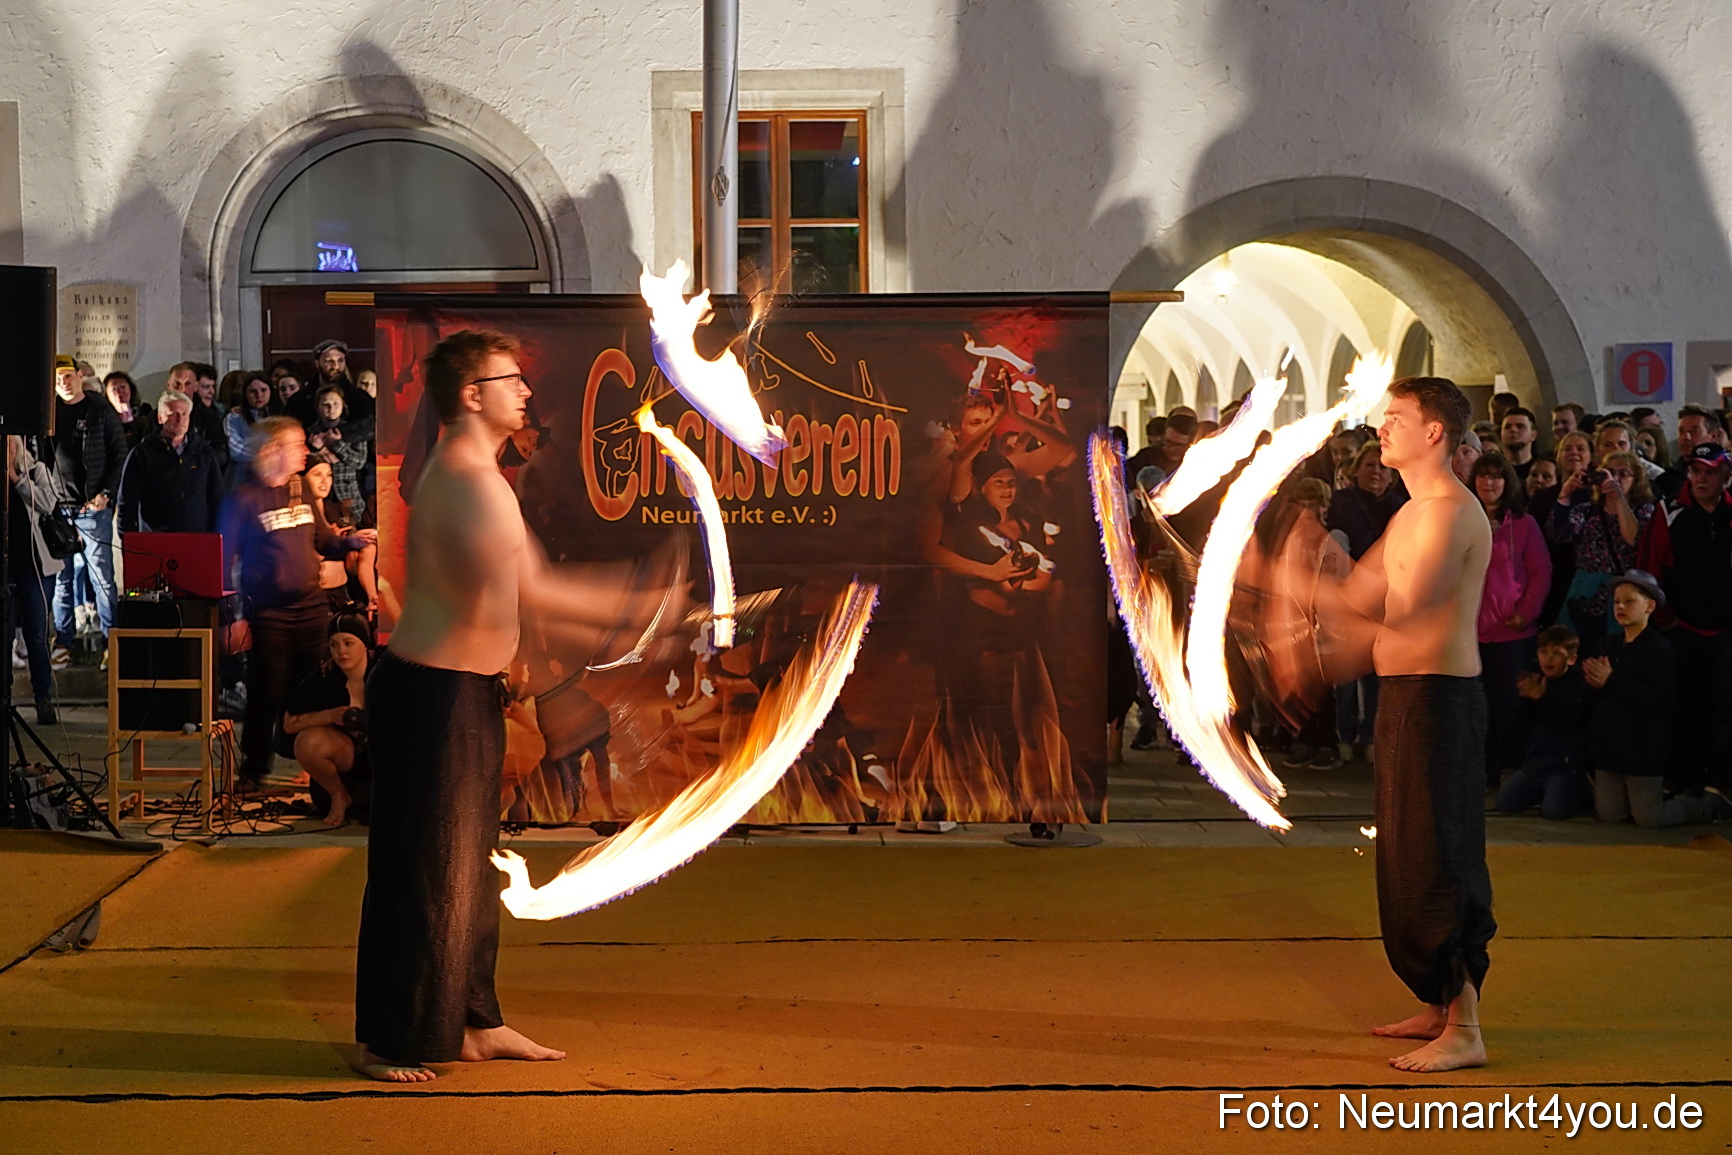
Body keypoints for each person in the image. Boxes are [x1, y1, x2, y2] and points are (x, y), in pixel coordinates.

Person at [352, 329, 671, 1082]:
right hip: (433, 697)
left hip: (463, 692)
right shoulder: (467, 480)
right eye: (512, 378)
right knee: (423, 871)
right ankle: (389, 1039)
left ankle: (472, 1021)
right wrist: (651, 602)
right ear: (472, 394)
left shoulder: (482, 475)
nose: (526, 390)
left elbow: (527, 582)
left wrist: (642, 607)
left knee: (466, 869)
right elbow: (544, 592)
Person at [1306, 375, 1494, 1073]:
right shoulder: (1411, 513)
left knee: (1441, 856)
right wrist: (1309, 570)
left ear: (1434, 431)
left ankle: (1467, 1023)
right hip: (1405, 698)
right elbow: (1359, 593)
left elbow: (1408, 613)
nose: (1381, 428)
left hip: (1441, 701)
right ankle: (1438, 1003)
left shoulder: (1449, 513)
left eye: (1396, 418)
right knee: (1405, 860)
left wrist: (1336, 635)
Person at [219, 418, 375, 786]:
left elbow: (322, 541)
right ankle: (254, 770)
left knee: (310, 691)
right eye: (299, 444)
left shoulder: (299, 488)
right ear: (273, 450)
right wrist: (232, 616)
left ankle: (312, 762)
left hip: (311, 609)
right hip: (269, 613)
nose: (307, 450)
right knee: (266, 692)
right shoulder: (243, 499)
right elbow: (222, 559)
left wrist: (354, 542)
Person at [1584, 571, 1731, 828]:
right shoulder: (1608, 644)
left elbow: (1660, 699)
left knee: (1650, 818)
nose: (1620, 607)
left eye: (1629, 601)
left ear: (1649, 606)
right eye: (1617, 601)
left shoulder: (1660, 649)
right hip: (1610, 749)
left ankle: (1707, 806)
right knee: (1609, 815)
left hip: (1641, 751)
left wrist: (1611, 681)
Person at [1637, 442, 1732, 794]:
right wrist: (1665, 619)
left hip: (1725, 630)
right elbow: (1651, 568)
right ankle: (1681, 778)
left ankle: (1718, 781)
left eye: (1709, 472)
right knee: (1682, 708)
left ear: (1726, 475)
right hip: (1682, 628)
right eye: (1696, 471)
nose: (1701, 478)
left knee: (1722, 707)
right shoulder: (1669, 511)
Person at [1469, 453, 1550, 786]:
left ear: (1507, 482)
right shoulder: (1462, 521)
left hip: (1511, 633)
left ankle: (1508, 767)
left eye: (1496, 477)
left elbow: (1541, 571)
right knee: (1476, 707)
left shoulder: (1524, 525)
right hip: (1470, 633)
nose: (1489, 483)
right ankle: (1479, 768)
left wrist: (1525, 613)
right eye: (1483, 477)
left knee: (1510, 706)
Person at [48, 355, 126, 668]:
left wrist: (106, 493)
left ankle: (112, 642)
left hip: (92, 508)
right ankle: (63, 642)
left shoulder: (99, 411)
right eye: (57, 379)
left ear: (80, 375)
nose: (63, 383)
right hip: (56, 509)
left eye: (68, 376)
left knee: (102, 578)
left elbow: (119, 453)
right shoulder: (48, 412)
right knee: (62, 580)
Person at [1325, 442, 1401, 760]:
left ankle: (1370, 735)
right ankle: (1344, 734)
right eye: (1369, 465)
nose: (1376, 472)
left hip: (1383, 598)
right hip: (1346, 596)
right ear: (1356, 470)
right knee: (1345, 672)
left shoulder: (1400, 506)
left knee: (1374, 672)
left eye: (1382, 467)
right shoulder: (1341, 502)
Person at [1545, 449, 1653, 650]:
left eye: (1624, 473)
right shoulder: (1586, 510)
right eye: (1610, 472)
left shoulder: (1644, 510)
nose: (1616, 478)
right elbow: (1559, 534)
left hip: (1622, 594)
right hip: (1585, 592)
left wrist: (1619, 498)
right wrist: (1564, 496)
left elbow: (1635, 541)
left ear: (1636, 479)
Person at [282, 612, 374, 827]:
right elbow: (289, 723)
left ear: (364, 645)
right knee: (307, 742)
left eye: (348, 643)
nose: (341, 651)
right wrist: (331, 715)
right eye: (334, 645)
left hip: (382, 754)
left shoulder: (383, 672)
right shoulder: (325, 676)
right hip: (346, 753)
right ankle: (339, 796)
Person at [1494, 625, 1592, 819]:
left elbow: (1569, 723)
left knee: (1554, 812)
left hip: (1563, 765)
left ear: (1571, 659)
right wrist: (1526, 699)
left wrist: (1543, 698)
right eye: (1544, 652)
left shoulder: (1577, 684)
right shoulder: (1536, 681)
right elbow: (1520, 726)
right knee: (1505, 802)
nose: (1548, 658)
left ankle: (1579, 792)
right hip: (1536, 763)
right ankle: (1547, 791)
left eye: (1556, 653)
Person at [9, 437, 63, 724]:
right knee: (5, 636)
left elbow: (48, 502)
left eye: (8, 445)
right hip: (7, 567)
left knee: (36, 633)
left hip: (35, 566)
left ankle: (43, 697)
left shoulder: (36, 471)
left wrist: (15, 478)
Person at [117, 389, 223, 534]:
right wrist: (129, 543)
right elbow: (127, 502)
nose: (180, 420)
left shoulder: (203, 451)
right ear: (160, 418)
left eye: (184, 414)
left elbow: (216, 496)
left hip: (198, 538)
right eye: (172, 414)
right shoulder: (141, 454)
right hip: (155, 540)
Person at [304, 460, 378, 612]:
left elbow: (353, 566)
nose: (325, 480)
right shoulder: (300, 516)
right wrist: (331, 542)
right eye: (317, 475)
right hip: (312, 595)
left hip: (341, 594)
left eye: (329, 475)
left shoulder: (339, 511)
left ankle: (373, 599)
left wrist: (354, 541)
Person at [307, 387, 370, 522]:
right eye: (326, 404)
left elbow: (359, 462)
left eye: (336, 403)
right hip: (320, 496)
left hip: (348, 496)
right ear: (318, 407)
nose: (331, 408)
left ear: (343, 406)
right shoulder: (311, 432)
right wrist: (317, 450)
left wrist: (336, 445)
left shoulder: (354, 430)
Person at [1653, 404, 1729, 503]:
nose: (1686, 437)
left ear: (1713, 436)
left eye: (1694, 431)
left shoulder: (1727, 474)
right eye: (1681, 431)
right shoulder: (1665, 481)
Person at [224, 372, 278, 469]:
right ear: (245, 394)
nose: (259, 395)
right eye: (253, 391)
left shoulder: (279, 417)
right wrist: (268, 455)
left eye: (263, 390)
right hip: (242, 474)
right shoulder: (234, 418)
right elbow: (236, 451)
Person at [102, 371, 155, 449]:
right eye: (114, 389)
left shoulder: (145, 412)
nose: (119, 392)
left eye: (123, 387)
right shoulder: (105, 421)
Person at [1498, 407, 1539, 482]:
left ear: (1533, 435)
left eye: (1520, 426)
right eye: (1507, 427)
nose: (1513, 430)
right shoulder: (1496, 470)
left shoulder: (1541, 469)